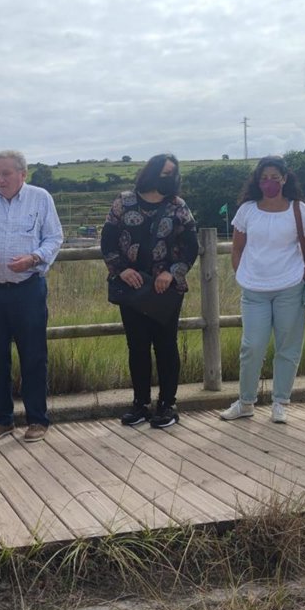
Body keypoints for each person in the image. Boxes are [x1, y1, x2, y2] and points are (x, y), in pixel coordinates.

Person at [0, 150, 64, 442]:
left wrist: (34, 258)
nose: (0, 179)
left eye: (6, 173)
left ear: (22, 174)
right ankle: (1, 420)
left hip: (27, 289)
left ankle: (37, 420)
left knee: (33, 356)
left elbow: (54, 237)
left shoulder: (40, 198)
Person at [219, 156, 305, 425]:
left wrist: (302, 276)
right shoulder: (247, 210)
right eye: (264, 178)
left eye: (275, 177)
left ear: (284, 179)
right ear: (257, 181)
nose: (269, 183)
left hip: (290, 288)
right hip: (254, 291)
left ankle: (280, 402)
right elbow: (237, 248)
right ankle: (245, 402)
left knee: (288, 347)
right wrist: (241, 274)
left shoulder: (299, 209)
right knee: (251, 346)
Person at [102, 154, 199, 429]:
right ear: (151, 172)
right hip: (132, 286)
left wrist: (172, 272)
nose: (168, 178)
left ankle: (167, 404)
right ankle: (140, 403)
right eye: (164, 172)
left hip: (165, 288)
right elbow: (107, 240)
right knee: (137, 346)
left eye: (172, 173)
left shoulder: (178, 206)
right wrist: (121, 269)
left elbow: (191, 246)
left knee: (166, 345)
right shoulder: (123, 202)